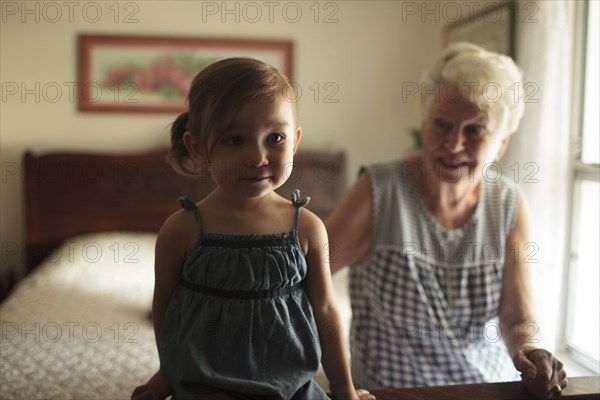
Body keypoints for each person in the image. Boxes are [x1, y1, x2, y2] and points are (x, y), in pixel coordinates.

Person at [325, 42, 568, 400]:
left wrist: (531, 351)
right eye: (442, 124)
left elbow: (517, 317)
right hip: (391, 393)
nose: (453, 144)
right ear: (424, 122)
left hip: (485, 390)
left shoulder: (508, 203)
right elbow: (302, 279)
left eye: (475, 131)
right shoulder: (379, 191)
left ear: (500, 144)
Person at [130, 58, 374, 400]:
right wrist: (167, 373)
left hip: (292, 389)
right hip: (204, 386)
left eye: (275, 137)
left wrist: (344, 390)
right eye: (234, 140)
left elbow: (326, 310)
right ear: (199, 148)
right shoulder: (181, 230)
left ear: (296, 140)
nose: (258, 156)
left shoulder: (306, 228)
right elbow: (166, 308)